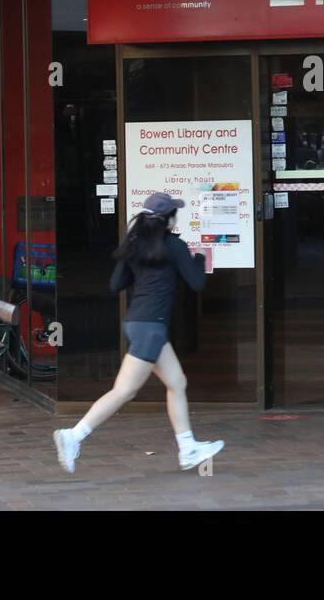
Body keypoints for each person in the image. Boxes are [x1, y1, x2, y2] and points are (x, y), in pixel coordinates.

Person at [53, 192, 224, 473]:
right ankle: (73, 435)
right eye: (174, 215)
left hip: (137, 323)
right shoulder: (174, 245)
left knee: (177, 382)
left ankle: (188, 448)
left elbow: (116, 283)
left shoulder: (135, 245)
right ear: (169, 220)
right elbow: (197, 284)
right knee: (124, 391)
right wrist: (199, 258)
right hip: (151, 329)